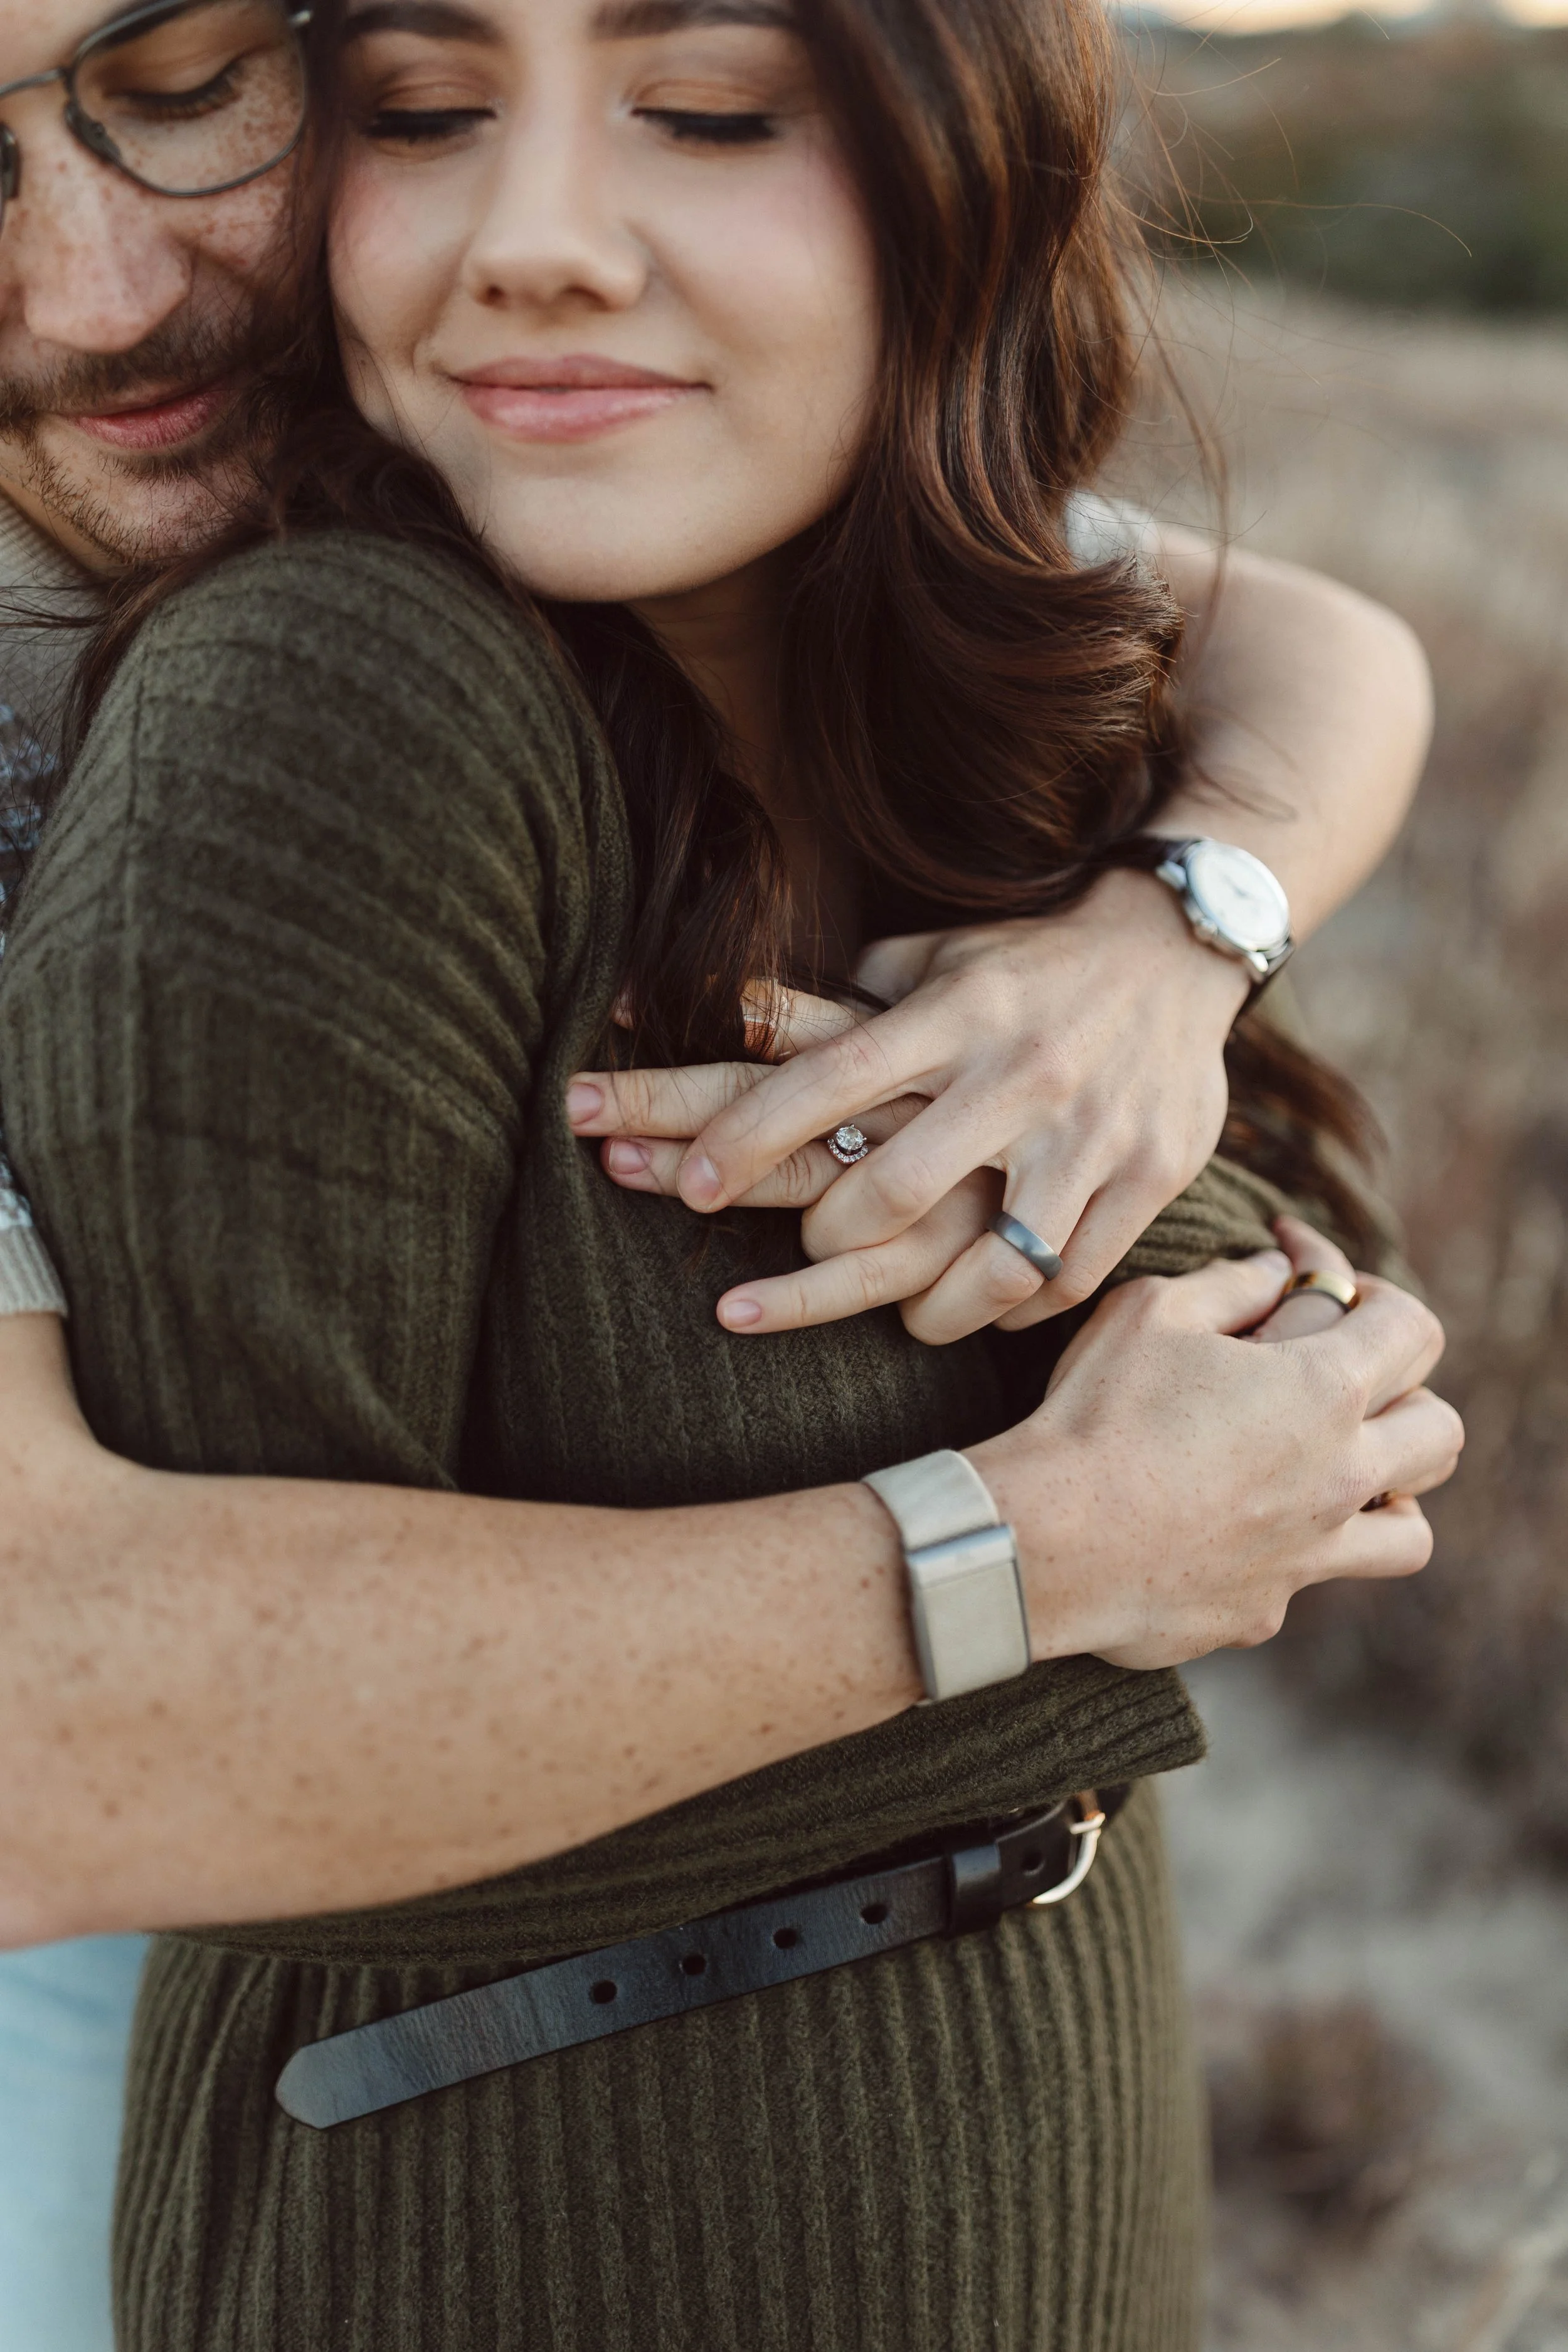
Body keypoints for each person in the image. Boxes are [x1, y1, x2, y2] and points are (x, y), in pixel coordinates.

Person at [0, 0, 1460, 2345]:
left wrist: (1165, 939)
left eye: (177, 95)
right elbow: (60, 1741)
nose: (95, 285)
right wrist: (1062, 1552)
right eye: (438, 113)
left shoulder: (721, 550)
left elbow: (1305, 644)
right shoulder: (337, 682)